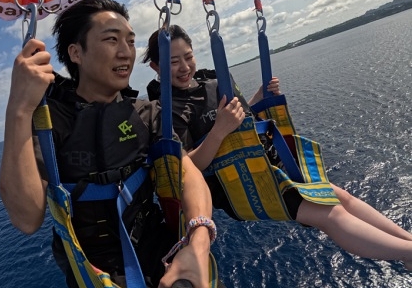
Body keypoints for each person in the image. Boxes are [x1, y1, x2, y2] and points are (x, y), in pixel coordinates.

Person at [0, 0, 232, 288]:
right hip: (95, 268)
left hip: (157, 245)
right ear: (76, 53)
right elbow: (27, 218)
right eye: (111, 39)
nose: (126, 52)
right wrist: (19, 108)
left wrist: (198, 241)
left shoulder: (146, 113)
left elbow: (188, 174)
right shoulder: (50, 123)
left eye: (130, 41)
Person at [142, 24, 412, 271]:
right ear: (156, 67)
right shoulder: (166, 112)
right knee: (330, 215)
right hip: (241, 185)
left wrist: (259, 97)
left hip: (267, 162)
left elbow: (242, 120)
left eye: (188, 57)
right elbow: (189, 168)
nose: (184, 67)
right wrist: (219, 131)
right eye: (173, 62)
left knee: (341, 197)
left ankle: (408, 247)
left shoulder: (212, 84)